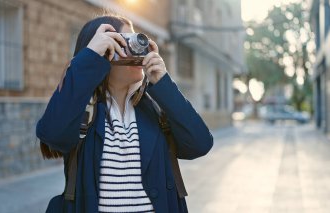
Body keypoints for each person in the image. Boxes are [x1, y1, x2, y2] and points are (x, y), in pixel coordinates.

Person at [36, 14, 213, 213]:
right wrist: (89, 58)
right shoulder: (82, 111)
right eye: (125, 42)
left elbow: (201, 144)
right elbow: (53, 133)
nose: (136, 49)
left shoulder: (155, 110)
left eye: (137, 40)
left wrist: (163, 84)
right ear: (102, 51)